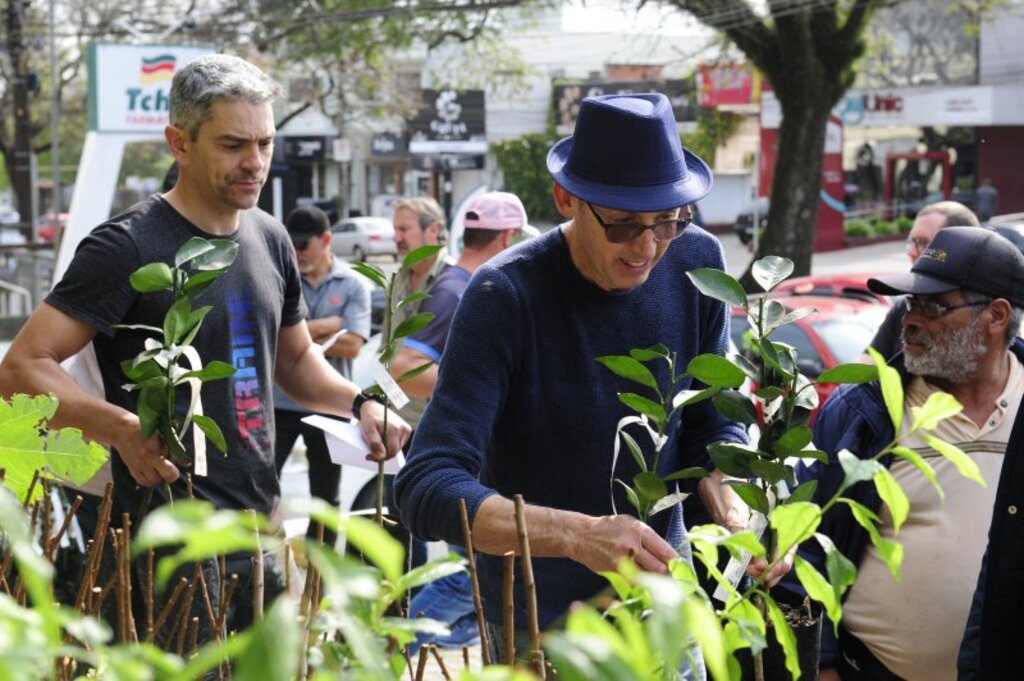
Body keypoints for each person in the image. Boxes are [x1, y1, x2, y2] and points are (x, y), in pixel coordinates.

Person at [0, 54, 409, 642]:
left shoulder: (270, 237)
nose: (255, 162)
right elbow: (22, 367)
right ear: (180, 144)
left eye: (264, 143)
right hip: (163, 538)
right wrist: (120, 427)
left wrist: (363, 403)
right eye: (233, 144)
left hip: (261, 528)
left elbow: (295, 361)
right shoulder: (126, 246)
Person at [394, 93, 789, 668]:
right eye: (624, 225)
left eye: (668, 221)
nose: (648, 248)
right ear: (566, 200)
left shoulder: (697, 262)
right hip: (540, 619)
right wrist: (578, 535)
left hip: (664, 599)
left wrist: (738, 508)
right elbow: (427, 486)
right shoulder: (504, 295)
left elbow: (712, 424)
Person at [795, 227, 1024, 681]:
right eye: (909, 303)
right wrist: (822, 663)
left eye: (932, 306)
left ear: (997, 316)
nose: (910, 320)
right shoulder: (863, 411)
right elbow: (802, 540)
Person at [396, 191, 527, 652]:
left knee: (482, 570)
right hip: (452, 453)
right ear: (508, 237)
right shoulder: (460, 290)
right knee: (470, 570)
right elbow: (405, 367)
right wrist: (480, 391)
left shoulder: (466, 283)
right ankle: (389, 650)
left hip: (464, 452)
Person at [273, 205, 371, 548]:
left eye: (304, 245)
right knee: (262, 486)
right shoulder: (280, 277)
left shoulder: (353, 283)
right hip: (279, 402)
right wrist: (329, 325)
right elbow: (271, 338)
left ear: (326, 240)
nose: (298, 252)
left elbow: (352, 345)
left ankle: (323, 570)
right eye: (293, 245)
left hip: (329, 405)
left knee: (326, 497)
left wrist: (296, 333)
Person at [867, 201, 981, 359]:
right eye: (911, 242)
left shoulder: (983, 313)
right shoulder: (902, 309)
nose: (912, 252)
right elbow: (865, 366)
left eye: (923, 242)